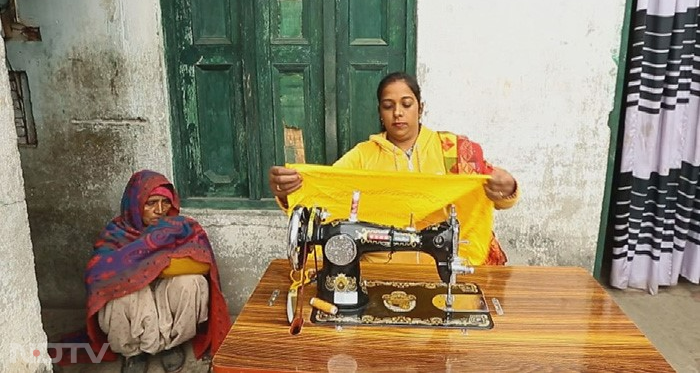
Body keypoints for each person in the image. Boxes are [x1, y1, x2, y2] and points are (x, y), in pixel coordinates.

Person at [268, 71, 519, 264]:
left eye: (406, 104)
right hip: (378, 269)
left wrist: (507, 188)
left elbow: (491, 193)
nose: (398, 113)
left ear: (421, 108)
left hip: (439, 266)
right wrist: (286, 191)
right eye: (389, 106)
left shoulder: (452, 150)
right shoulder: (362, 157)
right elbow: (326, 196)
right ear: (380, 113)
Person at [83, 170, 232, 373]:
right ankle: (133, 352)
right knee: (117, 291)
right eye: (151, 203)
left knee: (193, 282)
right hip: (134, 302)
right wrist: (140, 274)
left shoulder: (182, 227)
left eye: (165, 202)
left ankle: (172, 344)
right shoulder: (116, 233)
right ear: (135, 204)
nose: (159, 209)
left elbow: (203, 263)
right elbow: (97, 275)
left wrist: (152, 267)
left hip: (166, 295)